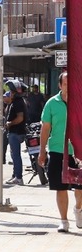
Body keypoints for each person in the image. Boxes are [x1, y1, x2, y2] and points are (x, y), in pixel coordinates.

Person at [36, 71, 82, 233]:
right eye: (65, 84)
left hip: (78, 153)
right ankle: (64, 221)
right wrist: (42, 151)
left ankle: (78, 209)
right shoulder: (51, 103)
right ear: (60, 85)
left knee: (80, 188)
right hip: (57, 151)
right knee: (60, 187)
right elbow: (46, 128)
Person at [3, 81, 27, 185]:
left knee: (16, 155)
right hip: (15, 131)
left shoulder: (18, 102)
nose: (10, 93)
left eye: (11, 91)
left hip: (16, 132)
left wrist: (10, 123)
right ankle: (15, 176)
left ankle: (18, 177)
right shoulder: (16, 102)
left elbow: (20, 118)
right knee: (14, 155)